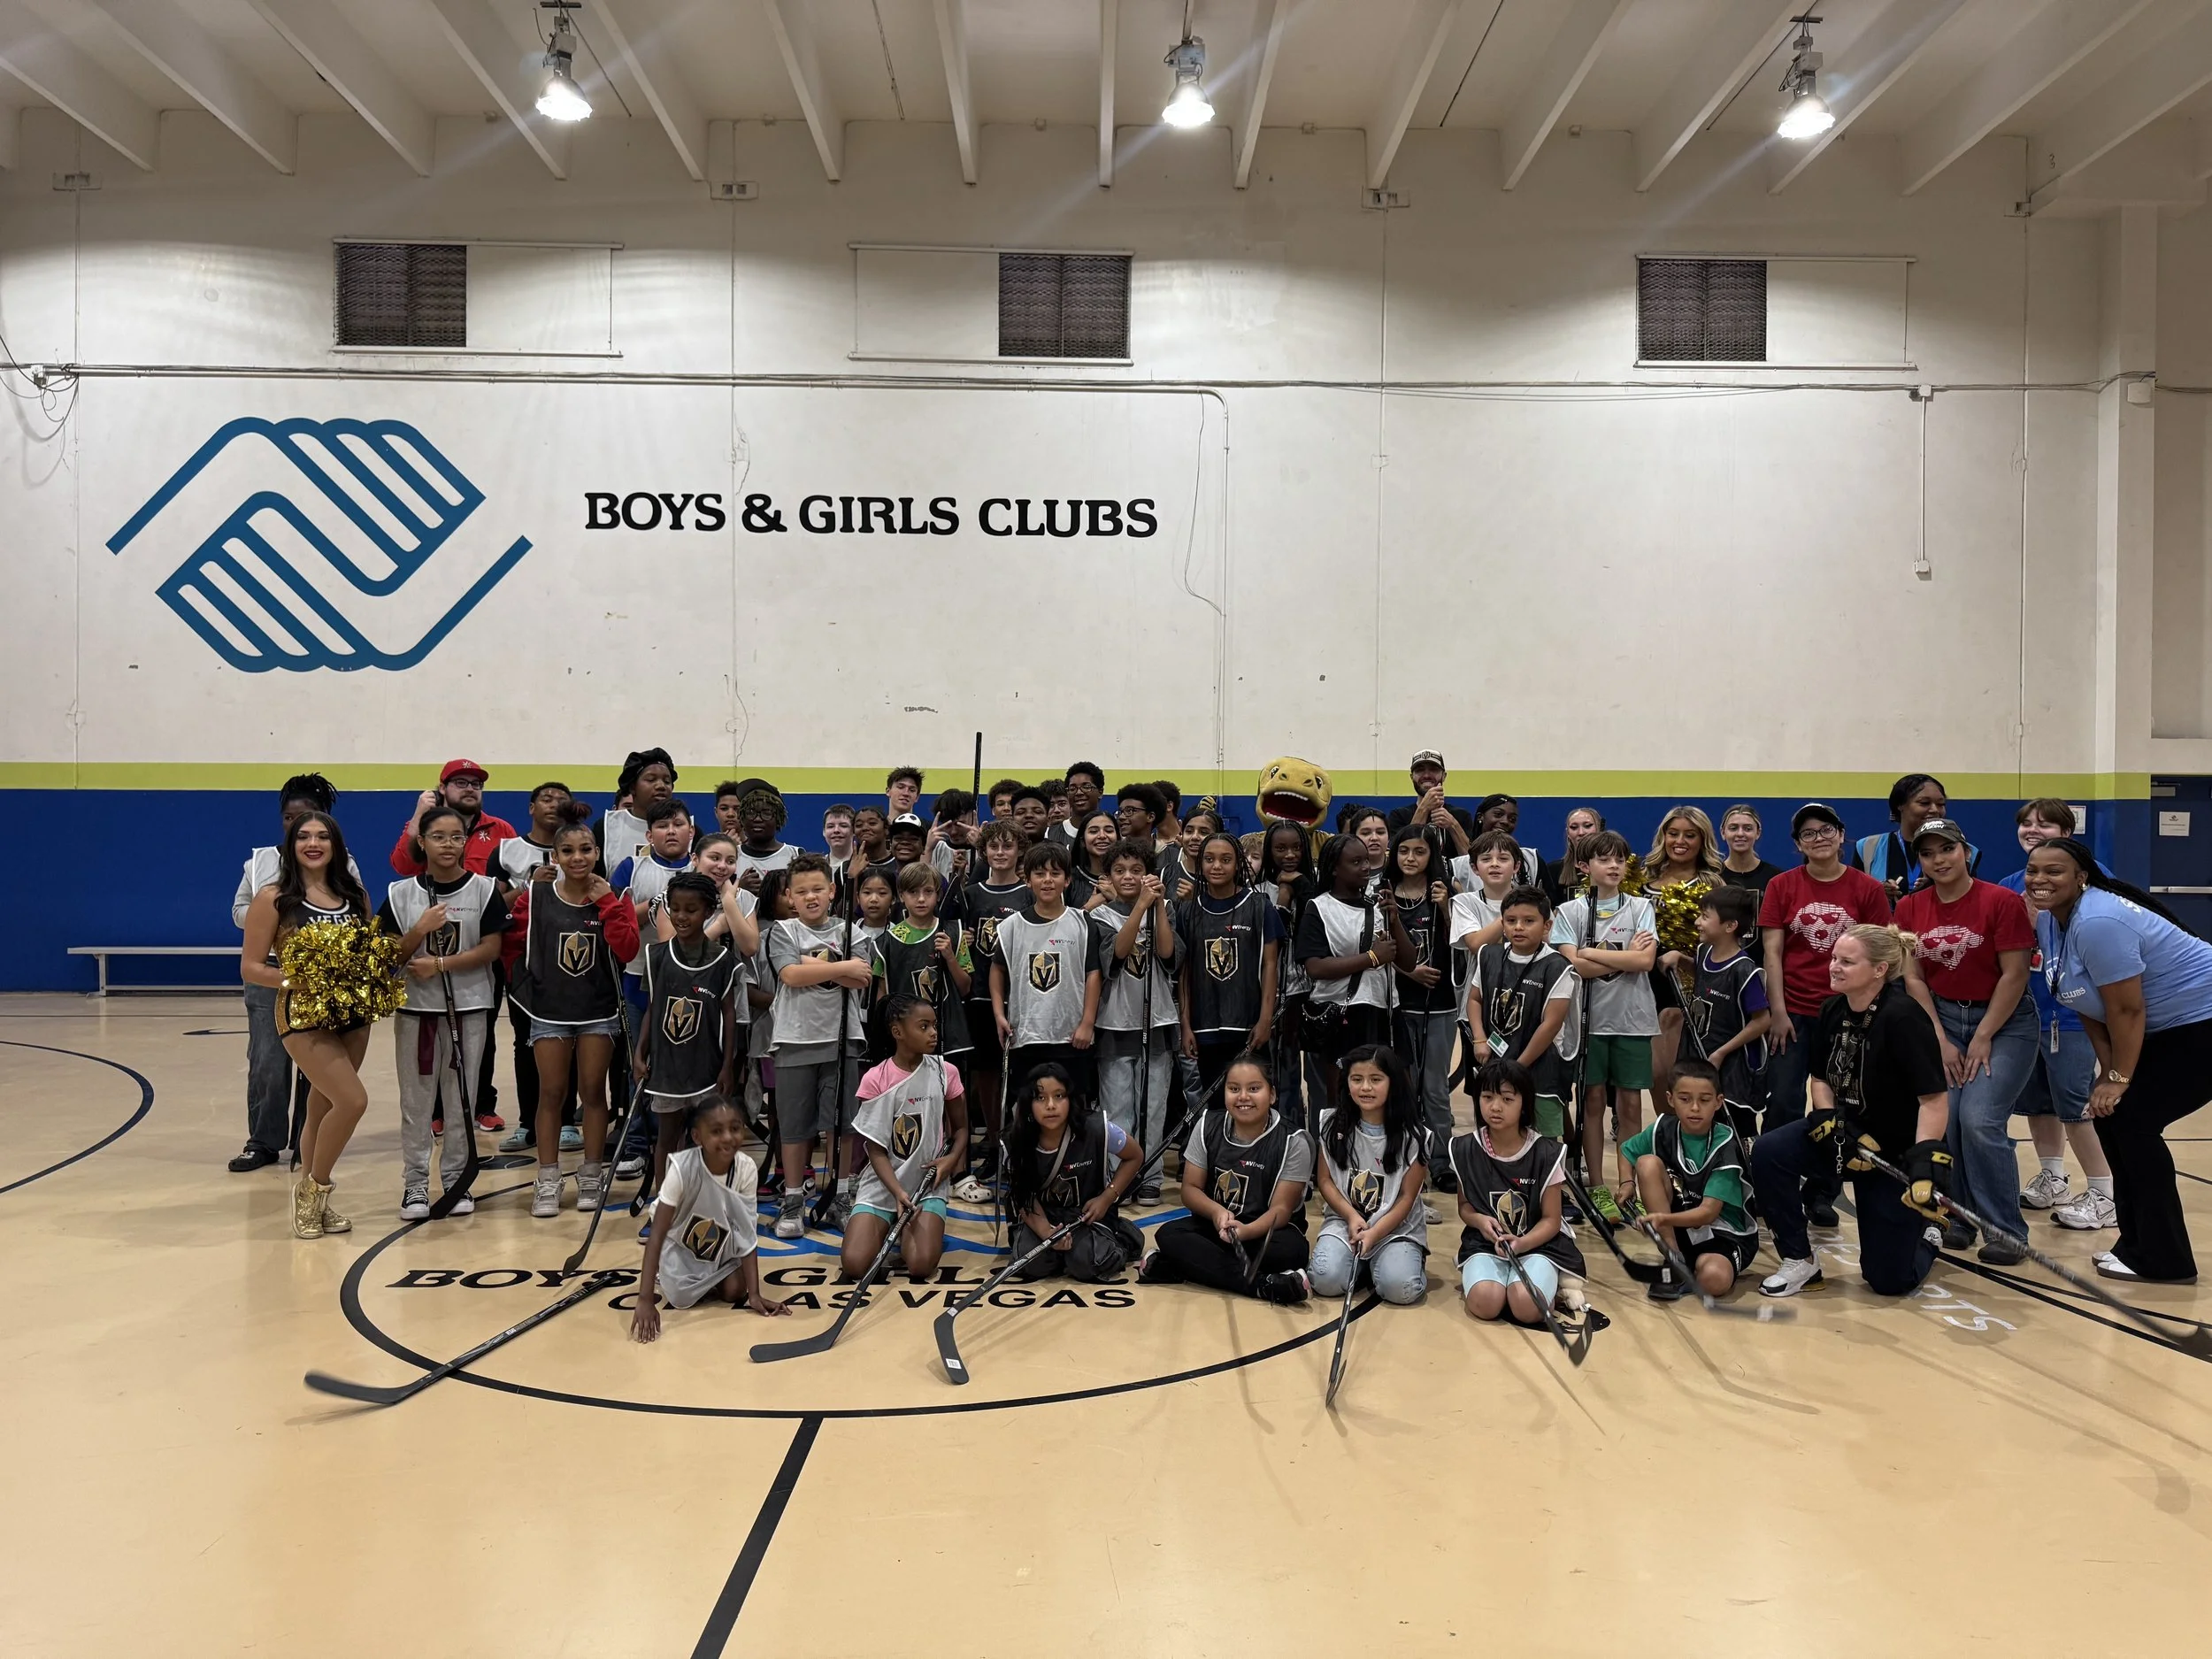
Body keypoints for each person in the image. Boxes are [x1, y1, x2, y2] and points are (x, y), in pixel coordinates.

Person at [2027, 838, 2212, 1284]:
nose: (2040, 880)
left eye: (2054, 872)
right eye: (2033, 870)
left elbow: (2127, 1010)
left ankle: (2164, 1260)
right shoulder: (2054, 921)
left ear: (2081, 877)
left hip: (2202, 1022)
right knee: (2114, 1118)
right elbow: (2086, 1003)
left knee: (2133, 1122)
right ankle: (2136, 1246)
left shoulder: (2098, 921)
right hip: (2167, 1029)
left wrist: (2119, 1078)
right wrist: (2108, 1079)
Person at [1753, 925, 1952, 1298]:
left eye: (1847, 961)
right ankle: (1799, 1260)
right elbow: (1820, 1078)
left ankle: (1929, 1234)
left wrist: (1924, 1160)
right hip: (1848, 1137)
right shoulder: (1832, 1008)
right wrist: (1828, 1120)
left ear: (1879, 970)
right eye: (1833, 958)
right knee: (1769, 1152)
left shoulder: (1904, 1017)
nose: (1834, 967)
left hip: (1891, 1151)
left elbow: (1934, 1100)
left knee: (1889, 1282)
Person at [241, 811, 412, 1239]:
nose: (312, 843)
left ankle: (316, 1199)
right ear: (291, 845)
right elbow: (250, 967)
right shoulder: (273, 898)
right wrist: (294, 979)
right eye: (303, 836)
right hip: (302, 1014)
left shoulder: (354, 894)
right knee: (352, 1101)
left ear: (335, 846)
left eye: (322, 836)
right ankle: (313, 1192)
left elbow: (367, 951)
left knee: (321, 1106)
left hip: (353, 1013)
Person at [1894, 818, 2037, 1263]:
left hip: (2005, 1021)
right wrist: (1940, 1037)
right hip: (1942, 1018)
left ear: (1965, 851)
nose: (1939, 860)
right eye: (1928, 853)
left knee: (1980, 1121)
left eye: (1947, 849)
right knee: (1947, 1121)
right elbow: (1914, 978)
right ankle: (1959, 1217)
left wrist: (1984, 1036)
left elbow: (2015, 974)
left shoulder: (2002, 901)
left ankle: (2005, 1229)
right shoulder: (1910, 909)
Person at [1759, 803, 1893, 1228]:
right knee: (1782, 1101)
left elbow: (1881, 954)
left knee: (1836, 1110)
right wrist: (1777, 1011)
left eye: (1826, 830)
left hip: (1846, 1014)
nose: (1818, 838)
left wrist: (1868, 1011)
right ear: (1798, 844)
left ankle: (1821, 1191)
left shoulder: (1867, 889)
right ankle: (1772, 1184)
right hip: (1794, 1011)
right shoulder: (1782, 886)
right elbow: (1773, 952)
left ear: (1841, 835)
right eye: (1809, 834)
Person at [503, 805, 641, 1219]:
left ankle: (592, 1173)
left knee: (594, 1092)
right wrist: (526, 991)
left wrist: (609, 905)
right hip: (549, 1012)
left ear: (597, 852)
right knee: (551, 1094)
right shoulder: (538, 895)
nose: (577, 857)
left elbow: (628, 948)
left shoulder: (610, 897)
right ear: (555, 857)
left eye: (585, 849)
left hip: (598, 1010)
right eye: (568, 851)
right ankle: (548, 1177)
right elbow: (512, 944)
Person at [379, 805, 508, 1218]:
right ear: (423, 841)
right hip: (417, 1011)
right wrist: (418, 931)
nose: (448, 844)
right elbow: (386, 957)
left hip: (468, 1008)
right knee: (416, 1104)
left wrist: (441, 965)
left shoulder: (484, 890)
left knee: (461, 1100)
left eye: (456, 837)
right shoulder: (400, 895)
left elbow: (492, 949)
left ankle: (456, 1180)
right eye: (439, 837)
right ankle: (415, 1184)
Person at [1998, 800, 2116, 1228]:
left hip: (2073, 1014)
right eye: (2026, 823)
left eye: (2044, 824)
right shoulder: (2014, 882)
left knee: (2076, 1105)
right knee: (2038, 1102)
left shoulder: (2094, 882)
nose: (2033, 829)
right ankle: (2053, 1176)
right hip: (2028, 1010)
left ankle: (2104, 1194)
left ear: (2067, 832)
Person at [229, 772, 352, 1173]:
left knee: (319, 1068)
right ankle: (262, 1140)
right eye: (289, 820)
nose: (300, 829)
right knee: (266, 1059)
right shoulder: (261, 862)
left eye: (309, 818)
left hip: (325, 984)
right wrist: (283, 919)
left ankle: (307, 1141)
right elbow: (239, 912)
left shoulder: (345, 864)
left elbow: (354, 920)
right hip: (274, 973)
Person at [1138, 1052, 1315, 1304]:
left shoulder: (1293, 1140)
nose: (1243, 1097)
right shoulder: (1207, 1125)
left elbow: (1281, 1210)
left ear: (1272, 1094)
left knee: (1292, 1252)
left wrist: (1246, 1231)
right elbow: (1190, 1190)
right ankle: (1263, 1286)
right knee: (1169, 1234)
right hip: (1216, 1229)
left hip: (1264, 1233)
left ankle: (1183, 1267)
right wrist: (1216, 1212)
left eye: (1254, 1088)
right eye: (1234, 1089)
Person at [765, 854, 872, 1239]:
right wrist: (838, 966)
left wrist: (816, 963)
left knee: (843, 1126)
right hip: (795, 1039)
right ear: (790, 897)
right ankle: (793, 1202)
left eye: (817, 889)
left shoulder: (853, 932)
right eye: (801, 891)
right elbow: (790, 975)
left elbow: (862, 977)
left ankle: (839, 1199)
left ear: (832, 891)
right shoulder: (783, 931)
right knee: (795, 1128)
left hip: (843, 1040)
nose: (810, 897)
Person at [1553, 830, 1658, 1216]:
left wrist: (1587, 952)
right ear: (1585, 866)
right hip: (1589, 1023)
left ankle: (1628, 1183)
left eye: (1620, 859)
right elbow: (1572, 966)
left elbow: (1644, 963)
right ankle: (1597, 1186)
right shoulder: (1570, 912)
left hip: (1633, 1020)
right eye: (1604, 859)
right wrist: (1619, 956)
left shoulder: (1641, 907)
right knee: (1592, 1103)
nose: (1613, 866)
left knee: (1631, 1105)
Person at [631, 1096, 787, 1340]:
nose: (727, 1137)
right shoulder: (682, 1169)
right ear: (697, 1137)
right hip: (679, 1241)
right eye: (716, 1131)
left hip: (720, 1240)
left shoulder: (745, 1169)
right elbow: (658, 1234)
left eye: (734, 1129)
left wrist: (754, 1295)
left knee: (736, 1290)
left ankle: (714, 1276)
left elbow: (747, 1233)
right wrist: (645, 1298)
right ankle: (670, 1271)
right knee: (681, 1299)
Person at [1449, 1057, 1585, 1326]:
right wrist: (1479, 1221)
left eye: (1507, 1099)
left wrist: (1521, 1244)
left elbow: (1551, 1220)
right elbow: (1465, 1207)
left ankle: (1549, 1281)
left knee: (1526, 1307)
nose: (1495, 1107)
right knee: (1486, 1304)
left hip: (1539, 1244)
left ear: (1524, 1104)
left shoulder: (1546, 1153)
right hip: (1486, 1244)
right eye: (1487, 1097)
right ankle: (1494, 1281)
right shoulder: (1464, 1148)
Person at [843, 996, 968, 1282]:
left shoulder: (945, 1072)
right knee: (854, 1265)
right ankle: (886, 1221)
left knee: (921, 1266)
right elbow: (875, 1150)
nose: (933, 1033)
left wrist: (951, 1160)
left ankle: (918, 1226)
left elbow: (961, 1130)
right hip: (884, 1182)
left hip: (926, 1185)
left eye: (934, 1025)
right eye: (923, 1027)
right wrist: (898, 1193)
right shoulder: (875, 1079)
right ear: (897, 1032)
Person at [635, 872, 741, 1201]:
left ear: (709, 911)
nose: (681, 916)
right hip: (667, 1066)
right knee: (667, 1139)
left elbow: (729, 1015)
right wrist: (639, 1054)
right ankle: (665, 1205)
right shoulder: (656, 956)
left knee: (709, 1138)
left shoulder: (723, 959)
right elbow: (653, 1009)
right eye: (675, 908)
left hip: (706, 1066)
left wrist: (728, 1065)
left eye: (691, 910)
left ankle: (707, 1202)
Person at [1616, 1058, 1757, 1302]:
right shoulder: (1663, 1127)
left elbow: (1708, 1213)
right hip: (1681, 1229)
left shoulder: (1726, 1145)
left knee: (1714, 1279)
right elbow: (1627, 1151)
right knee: (1647, 1163)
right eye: (1685, 1099)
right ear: (1670, 1099)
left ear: (1718, 1103)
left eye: (1704, 1100)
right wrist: (1627, 1183)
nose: (1694, 1108)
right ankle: (1674, 1258)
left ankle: (1692, 1266)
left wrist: (1662, 1218)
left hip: (1723, 1233)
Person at [492, 782, 579, 1152]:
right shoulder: (507, 850)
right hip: (523, 962)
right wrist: (528, 887)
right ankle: (528, 1122)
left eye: (562, 799)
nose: (554, 804)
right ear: (530, 807)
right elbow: (493, 908)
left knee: (570, 1039)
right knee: (526, 1041)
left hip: (573, 961)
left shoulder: (580, 846)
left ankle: (565, 1122)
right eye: (546, 798)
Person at [1311, 1045, 1430, 1306]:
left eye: (1375, 1080)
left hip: (1395, 1229)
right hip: (1345, 1221)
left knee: (1401, 1290)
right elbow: (1325, 1181)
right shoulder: (1332, 1125)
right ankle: (1361, 1263)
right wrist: (1352, 1216)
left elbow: (1407, 1198)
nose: (1365, 1087)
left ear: (1393, 1083)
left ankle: (1395, 1259)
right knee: (1325, 1280)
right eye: (1357, 1079)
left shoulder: (1414, 1136)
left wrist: (1374, 1234)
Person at [1003, 1063, 1145, 1281]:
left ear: (1071, 1099)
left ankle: (1123, 1237)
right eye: (1040, 1098)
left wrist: (1107, 1197)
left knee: (1089, 1264)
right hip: (1043, 1215)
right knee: (1031, 1262)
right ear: (1028, 1103)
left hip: (1086, 1216)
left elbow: (1135, 1156)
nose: (1051, 1105)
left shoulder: (1097, 1128)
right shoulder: (1016, 1139)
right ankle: (1064, 1253)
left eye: (1059, 1096)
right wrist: (1048, 1235)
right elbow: (1023, 1195)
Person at [1093, 841, 1179, 1198]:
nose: (1128, 877)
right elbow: (1118, 953)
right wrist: (1140, 907)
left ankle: (1152, 1177)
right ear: (1109, 877)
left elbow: (1167, 953)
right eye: (1120, 871)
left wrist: (1156, 906)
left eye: (1136, 870)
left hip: (1157, 1022)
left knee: (1153, 1108)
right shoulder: (1099, 916)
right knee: (1118, 1109)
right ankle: (1121, 1177)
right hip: (1114, 1023)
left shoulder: (1165, 909)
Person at [987, 841, 1103, 1102]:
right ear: (1027, 880)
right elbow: (997, 969)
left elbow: (1093, 974)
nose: (1048, 880)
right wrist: (998, 1014)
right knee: (1030, 1109)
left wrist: (1087, 1022)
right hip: (1026, 1034)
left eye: (1055, 873)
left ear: (1068, 879)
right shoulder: (1011, 927)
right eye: (1039, 874)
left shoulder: (1082, 922)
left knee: (1071, 1108)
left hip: (1071, 1036)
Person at [1177, 829, 1281, 1103]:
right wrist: (1185, 1024)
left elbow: (1270, 965)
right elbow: (1185, 972)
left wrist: (1265, 1019)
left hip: (1248, 1025)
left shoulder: (1259, 905)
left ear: (1238, 864)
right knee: (1216, 1104)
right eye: (1209, 859)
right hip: (1205, 1027)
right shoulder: (1187, 911)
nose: (1217, 866)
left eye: (1225, 859)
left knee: (1254, 1100)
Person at [1467, 887, 1578, 1140]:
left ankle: (1555, 1176)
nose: (1519, 927)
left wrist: (1518, 1068)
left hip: (1540, 1069)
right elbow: (1474, 999)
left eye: (1529, 921)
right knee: (1497, 1131)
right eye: (1511, 920)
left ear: (1547, 925)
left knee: (1544, 1137)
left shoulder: (1558, 966)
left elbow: (1551, 1025)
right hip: (1496, 1062)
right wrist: (1480, 1038)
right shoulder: (1489, 955)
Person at [1294, 833, 1395, 1103]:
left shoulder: (1377, 906)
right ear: (1335, 868)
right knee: (1342, 1098)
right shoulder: (1319, 908)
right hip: (1343, 1013)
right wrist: (1372, 957)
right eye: (1355, 861)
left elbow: (1406, 961)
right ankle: (1336, 1144)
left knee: (1382, 1098)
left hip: (1381, 1011)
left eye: (1366, 860)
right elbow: (1315, 967)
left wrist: (1394, 917)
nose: (1365, 866)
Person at [1665, 885, 1770, 1141]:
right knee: (1701, 1125)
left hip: (1732, 1069)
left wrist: (1722, 1052)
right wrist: (1680, 958)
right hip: (1701, 1057)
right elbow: (1704, 976)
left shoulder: (1744, 971)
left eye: (1705, 916)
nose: (1698, 921)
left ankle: (1744, 1174)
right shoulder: (1704, 952)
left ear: (1730, 926)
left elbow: (1762, 1020)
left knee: (1735, 1129)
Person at [1382, 825, 1455, 1166]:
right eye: (1404, 851)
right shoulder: (1383, 893)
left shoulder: (1444, 891)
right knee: (1403, 1087)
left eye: (1420, 852)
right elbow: (1377, 948)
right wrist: (1408, 971)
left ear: (1432, 857)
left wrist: (1445, 909)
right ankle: (1407, 1157)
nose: (1411, 858)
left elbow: (1461, 943)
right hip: (1396, 1003)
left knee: (1435, 1088)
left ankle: (1441, 1159)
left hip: (1439, 1005)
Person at [1642, 806, 1723, 1098]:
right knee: (1655, 1072)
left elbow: (1721, 948)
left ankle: (1688, 1132)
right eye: (1673, 833)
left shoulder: (1711, 884)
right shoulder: (1642, 879)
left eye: (1690, 835)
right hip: (1642, 982)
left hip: (1686, 983)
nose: (1680, 841)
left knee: (1679, 1072)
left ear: (1703, 840)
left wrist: (1688, 963)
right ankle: (1667, 1135)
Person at [873, 860, 972, 1071]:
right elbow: (882, 996)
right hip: (906, 1041)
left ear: (938, 895)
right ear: (901, 896)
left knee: (950, 1097)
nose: (921, 899)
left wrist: (950, 957)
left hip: (949, 1036)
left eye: (928, 892)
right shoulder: (887, 942)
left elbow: (965, 988)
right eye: (913, 892)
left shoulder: (954, 932)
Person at [1263, 821, 1323, 1129]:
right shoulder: (1259, 891)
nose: (1289, 855)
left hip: (1307, 992)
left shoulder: (1313, 890)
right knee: (1275, 1068)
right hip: (1267, 991)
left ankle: (1306, 1135)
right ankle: (1279, 1131)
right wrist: (1283, 897)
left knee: (1306, 1072)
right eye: (1281, 848)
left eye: (1296, 848)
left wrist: (1299, 886)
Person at [1853, 773, 1978, 898]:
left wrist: (1940, 886)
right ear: (1900, 805)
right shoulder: (1868, 848)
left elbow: (1970, 898)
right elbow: (1854, 896)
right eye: (1924, 803)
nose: (1935, 809)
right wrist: (1876, 891)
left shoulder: (1964, 851)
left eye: (1941, 804)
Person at [387, 757, 515, 879]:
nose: (470, 789)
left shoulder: (501, 829)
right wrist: (418, 816)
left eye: (476, 784)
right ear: (442, 788)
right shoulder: (424, 825)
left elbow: (515, 878)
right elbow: (402, 867)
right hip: (437, 901)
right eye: (461, 783)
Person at [599, 749, 678, 878]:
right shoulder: (606, 827)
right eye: (651, 780)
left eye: (667, 781)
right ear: (632, 787)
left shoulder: (686, 829)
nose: (661, 786)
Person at [1384, 749, 1475, 856]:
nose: (1426, 775)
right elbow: (1397, 856)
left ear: (1444, 776)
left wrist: (1453, 825)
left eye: (1433, 770)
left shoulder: (1461, 816)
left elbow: (1471, 861)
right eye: (1420, 770)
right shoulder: (1398, 816)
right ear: (1412, 777)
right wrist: (1423, 809)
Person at [726, 780, 797, 887]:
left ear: (778, 819)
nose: (758, 819)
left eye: (766, 813)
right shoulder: (731, 856)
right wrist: (739, 888)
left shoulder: (795, 855)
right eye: (751, 813)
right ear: (742, 818)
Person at [1471, 795, 1544, 887]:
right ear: (1480, 817)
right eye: (1498, 814)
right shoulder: (1460, 864)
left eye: (1512, 819)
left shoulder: (1531, 859)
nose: (1505, 821)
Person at [1541, 806, 1604, 906]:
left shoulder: (1612, 868)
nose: (1581, 833)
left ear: (1599, 828)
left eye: (1587, 826)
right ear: (1568, 833)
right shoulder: (1553, 870)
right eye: (1574, 827)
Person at [1718, 804, 1782, 898]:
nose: (1740, 833)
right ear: (1723, 833)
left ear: (1758, 833)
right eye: (1733, 828)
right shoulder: (1714, 877)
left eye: (1748, 829)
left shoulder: (1776, 877)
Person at [1067, 809, 1122, 910]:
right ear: (1083, 841)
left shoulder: (1130, 877)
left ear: (1118, 838)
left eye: (1109, 831)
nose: (1102, 836)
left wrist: (1117, 899)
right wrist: (1089, 907)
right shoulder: (1068, 879)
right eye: (1093, 831)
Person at [926, 788, 980, 886]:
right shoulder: (938, 848)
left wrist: (981, 847)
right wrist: (928, 849)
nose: (953, 832)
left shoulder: (988, 848)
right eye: (948, 825)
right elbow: (920, 881)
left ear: (972, 816)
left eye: (959, 824)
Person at [1045, 763, 1107, 849]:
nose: (1079, 793)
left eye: (1086, 786)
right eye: (1073, 788)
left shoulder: (1113, 833)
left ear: (1100, 792)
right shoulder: (1048, 835)